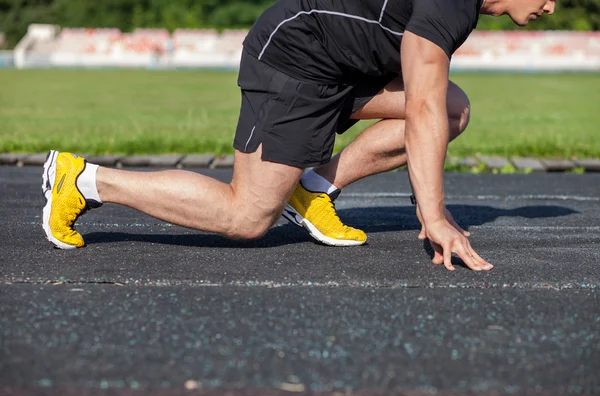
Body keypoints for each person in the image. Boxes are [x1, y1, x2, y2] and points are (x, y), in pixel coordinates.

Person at [42, 0, 556, 271]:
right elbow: (419, 107)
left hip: (344, 66)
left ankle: (312, 189)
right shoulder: (451, 4)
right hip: (297, 59)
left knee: (453, 108)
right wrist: (434, 216)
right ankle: (83, 180)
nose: (552, 6)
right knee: (246, 216)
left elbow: (432, 105)